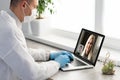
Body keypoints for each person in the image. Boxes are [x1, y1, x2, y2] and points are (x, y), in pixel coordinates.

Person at [0, 0, 73, 80]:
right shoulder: (9, 31)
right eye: (34, 7)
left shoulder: (4, 19)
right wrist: (57, 63)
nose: (36, 12)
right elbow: (32, 73)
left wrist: (48, 55)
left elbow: (22, 52)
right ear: (24, 5)